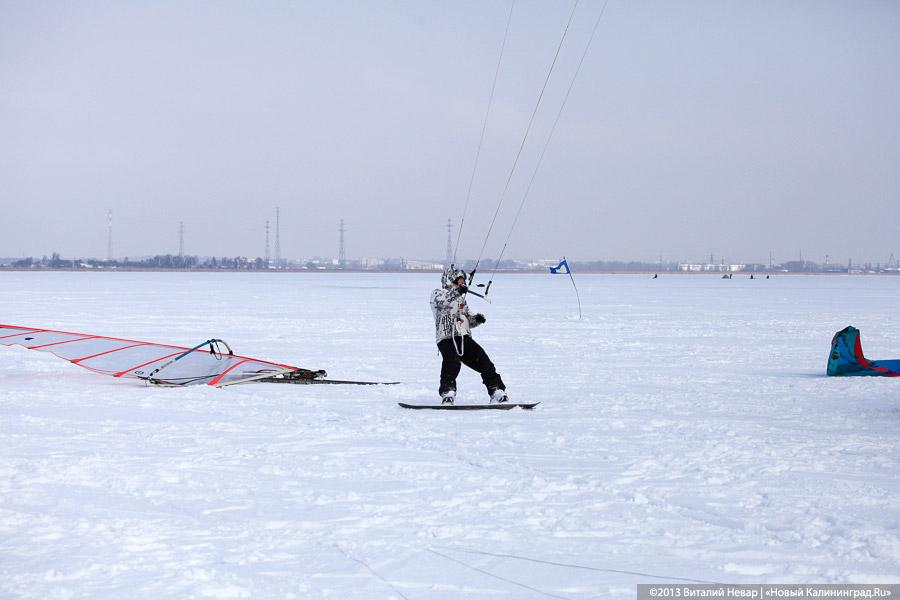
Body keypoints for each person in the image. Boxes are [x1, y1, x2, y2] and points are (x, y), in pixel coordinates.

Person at [431, 267, 507, 404]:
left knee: (485, 361)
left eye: (462, 281)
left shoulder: (461, 300)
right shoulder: (437, 293)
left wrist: (476, 319)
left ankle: (496, 390)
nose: (461, 283)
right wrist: (456, 292)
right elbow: (443, 302)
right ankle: (447, 392)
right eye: (458, 281)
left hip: (464, 338)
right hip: (447, 339)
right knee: (452, 362)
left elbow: (467, 319)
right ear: (450, 280)